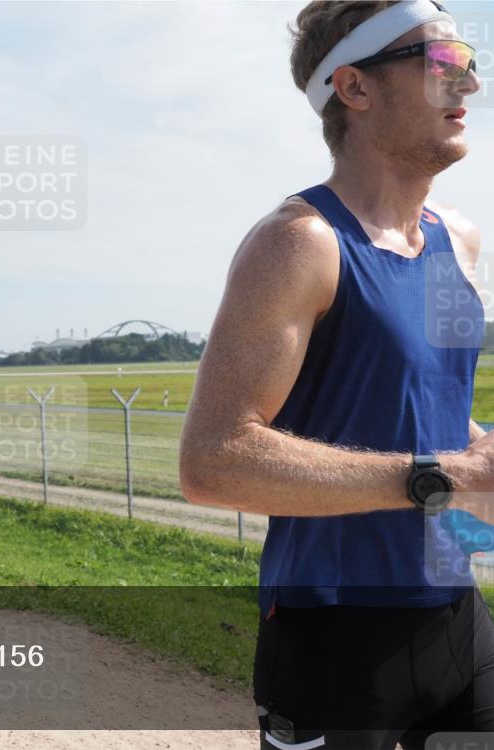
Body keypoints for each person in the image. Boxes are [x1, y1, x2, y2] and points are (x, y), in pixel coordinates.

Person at [179, 2, 493, 748]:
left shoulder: (460, 240)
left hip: (458, 618)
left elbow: (424, 405)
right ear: (354, 86)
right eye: (445, 63)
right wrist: (441, 475)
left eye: (471, 62)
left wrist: (480, 456)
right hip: (333, 634)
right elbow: (213, 461)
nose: (470, 84)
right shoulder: (298, 244)